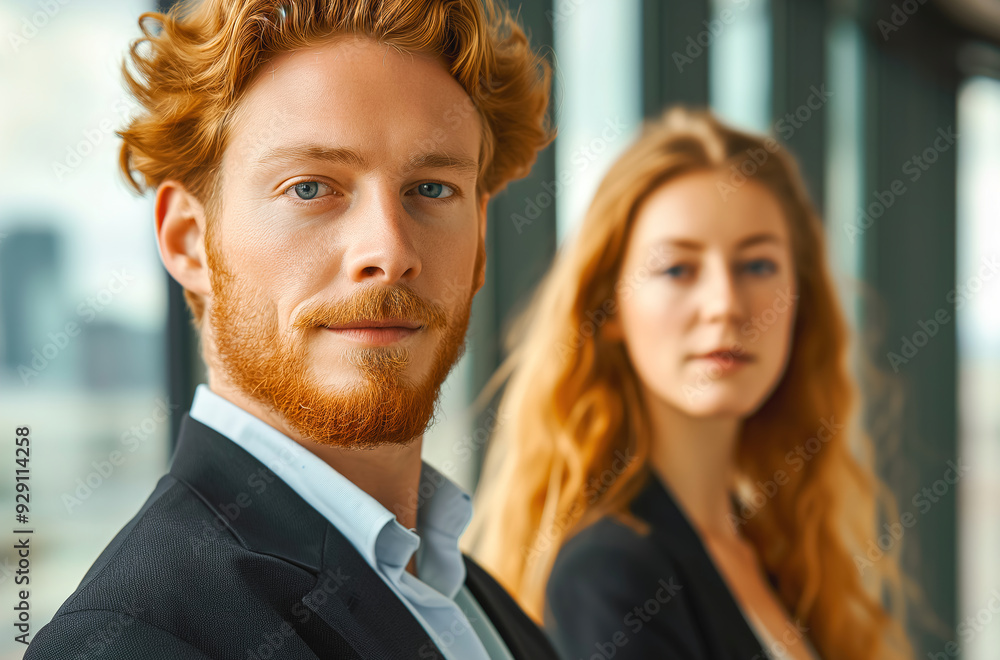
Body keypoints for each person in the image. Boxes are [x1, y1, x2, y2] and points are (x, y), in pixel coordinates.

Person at [26, 1, 556, 658]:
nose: (388, 251)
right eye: (311, 188)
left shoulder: (478, 606)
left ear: (479, 244)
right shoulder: (133, 639)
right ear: (188, 241)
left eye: (431, 189)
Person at [465, 107, 913, 660]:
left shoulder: (778, 557)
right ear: (609, 311)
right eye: (678, 269)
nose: (725, 305)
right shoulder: (609, 571)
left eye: (757, 266)